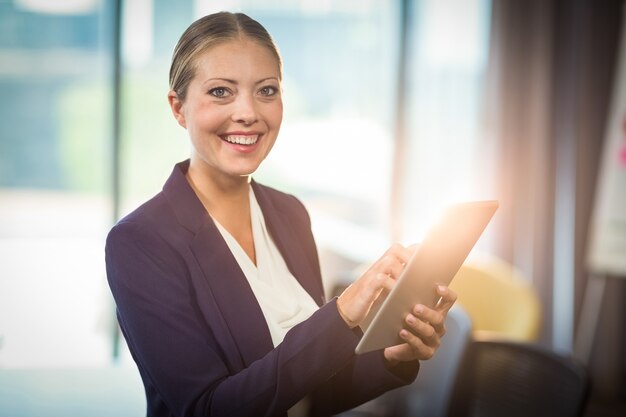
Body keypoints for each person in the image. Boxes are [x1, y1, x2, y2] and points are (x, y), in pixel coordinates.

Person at [105, 11, 457, 417]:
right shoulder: (141, 242)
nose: (248, 113)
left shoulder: (290, 214)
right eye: (221, 92)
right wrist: (341, 314)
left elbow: (313, 386)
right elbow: (206, 409)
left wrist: (393, 357)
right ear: (178, 107)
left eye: (266, 90)